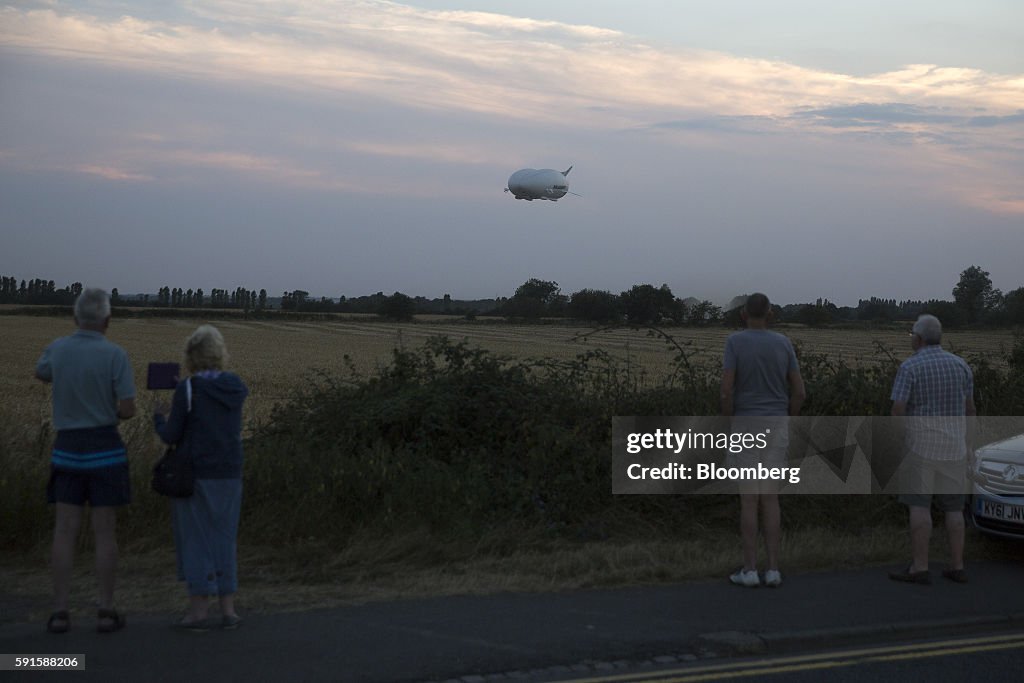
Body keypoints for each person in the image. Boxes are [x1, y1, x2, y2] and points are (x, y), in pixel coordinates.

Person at [35, 288, 136, 634]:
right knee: (104, 532)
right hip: (105, 450)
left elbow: (42, 372)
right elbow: (126, 410)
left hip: (67, 449)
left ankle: (60, 611)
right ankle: (105, 610)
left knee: (64, 531)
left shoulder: (59, 349)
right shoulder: (116, 355)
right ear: (108, 320)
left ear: (75, 318)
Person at [154, 324, 248, 630]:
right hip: (230, 474)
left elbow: (171, 435)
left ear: (191, 355)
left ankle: (198, 611)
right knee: (224, 538)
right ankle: (229, 610)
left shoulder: (189, 389)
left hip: (196, 475)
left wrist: (159, 416)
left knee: (197, 540)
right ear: (220, 353)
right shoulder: (235, 387)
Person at [720, 293, 805, 588]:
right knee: (770, 498)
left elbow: (727, 390)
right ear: (770, 313)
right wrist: (788, 419)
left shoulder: (735, 342)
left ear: (744, 314)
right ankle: (773, 570)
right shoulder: (783, 343)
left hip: (745, 424)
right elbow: (799, 392)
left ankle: (749, 569)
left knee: (748, 499)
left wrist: (730, 421)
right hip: (776, 425)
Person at [888, 314, 975, 585]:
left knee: (919, 506)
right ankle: (957, 565)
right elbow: (970, 410)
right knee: (954, 509)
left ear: (919, 338)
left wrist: (897, 442)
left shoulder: (910, 367)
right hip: (954, 447)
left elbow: (898, 410)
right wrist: (969, 444)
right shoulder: (961, 366)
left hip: (921, 447)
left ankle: (920, 567)